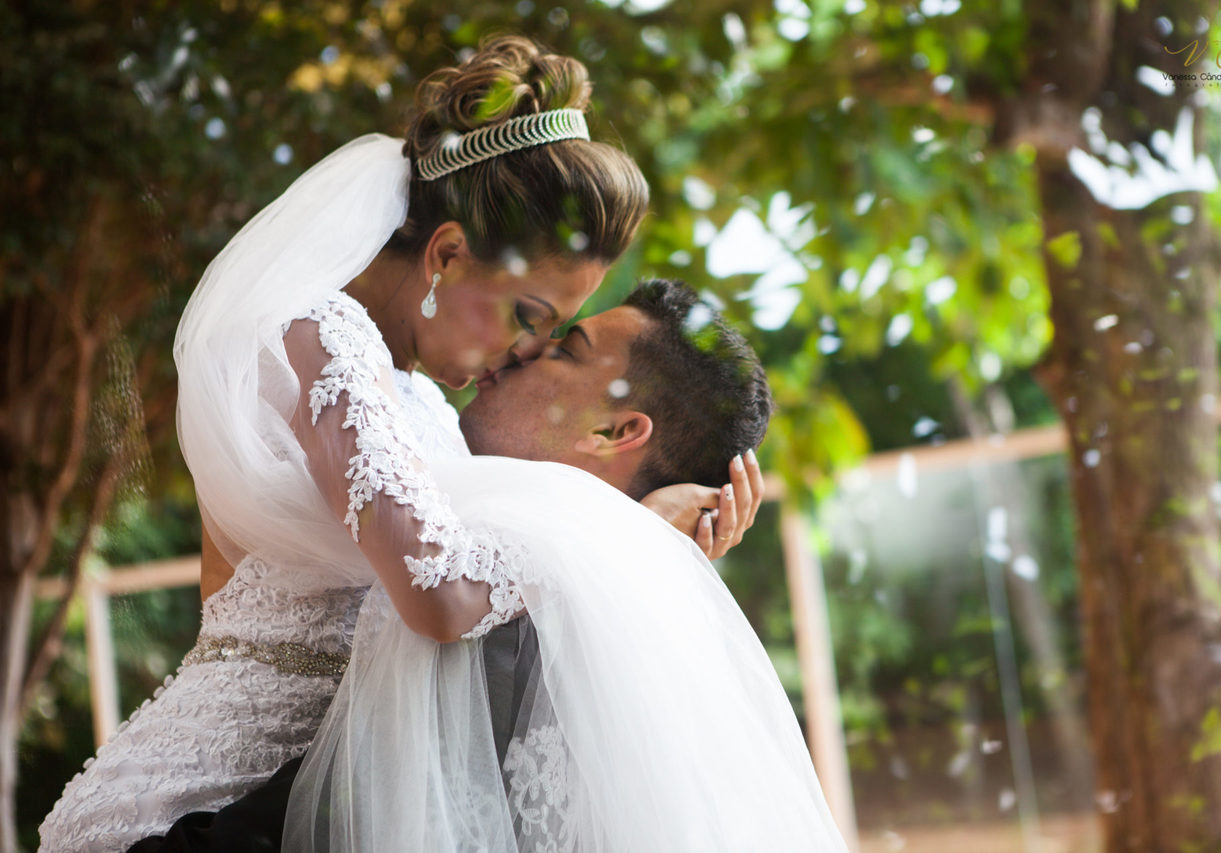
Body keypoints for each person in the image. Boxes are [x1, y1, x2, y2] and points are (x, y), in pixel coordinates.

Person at [38, 38, 756, 853]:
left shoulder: (422, 403)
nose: (523, 350)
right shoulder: (321, 335)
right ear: (448, 253)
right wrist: (636, 537)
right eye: (526, 316)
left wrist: (666, 550)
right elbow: (442, 598)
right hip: (185, 815)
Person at [129, 280, 846, 852]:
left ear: (614, 430)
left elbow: (320, 818)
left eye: (565, 348)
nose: (520, 349)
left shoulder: (514, 626)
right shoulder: (461, 528)